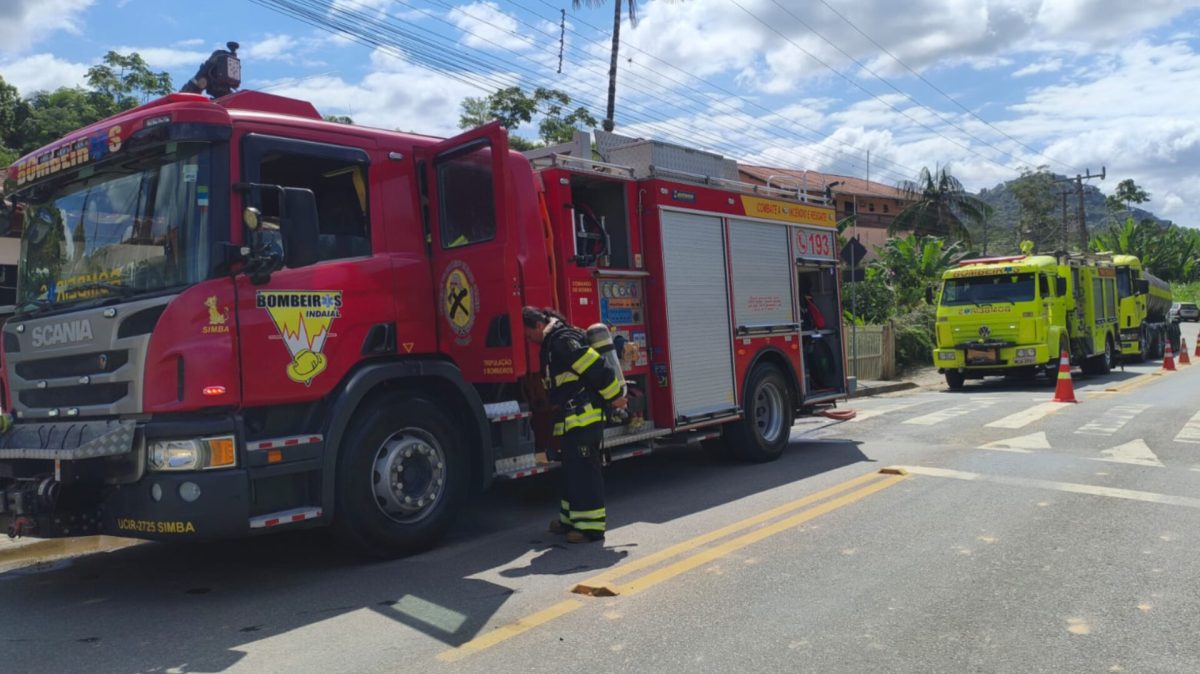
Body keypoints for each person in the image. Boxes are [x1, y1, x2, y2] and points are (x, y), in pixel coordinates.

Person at [522, 306, 627, 543]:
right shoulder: (551, 343)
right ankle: (570, 520)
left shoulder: (563, 341)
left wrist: (615, 397)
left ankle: (590, 528)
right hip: (571, 419)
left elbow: (597, 368)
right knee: (571, 471)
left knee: (584, 472)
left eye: (529, 334)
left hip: (584, 417)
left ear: (539, 326)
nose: (529, 340)